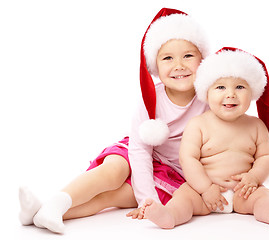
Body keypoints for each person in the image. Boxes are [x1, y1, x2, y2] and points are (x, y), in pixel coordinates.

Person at [18, 8, 210, 234]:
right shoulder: (151, 100)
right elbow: (139, 150)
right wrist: (145, 196)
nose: (179, 65)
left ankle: (42, 213)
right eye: (168, 58)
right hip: (137, 152)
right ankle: (58, 201)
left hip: (171, 171)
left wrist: (146, 202)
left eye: (188, 56)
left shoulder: (209, 100)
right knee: (113, 173)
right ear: (154, 65)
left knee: (114, 197)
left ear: (203, 59)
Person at [141, 47, 269, 229]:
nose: (230, 94)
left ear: (252, 92)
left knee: (263, 197)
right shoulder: (198, 124)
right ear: (206, 92)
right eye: (220, 87)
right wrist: (205, 188)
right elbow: (188, 159)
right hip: (203, 193)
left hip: (243, 192)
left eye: (240, 86)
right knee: (183, 197)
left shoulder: (256, 126)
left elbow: (267, 156)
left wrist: (253, 177)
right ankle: (170, 215)